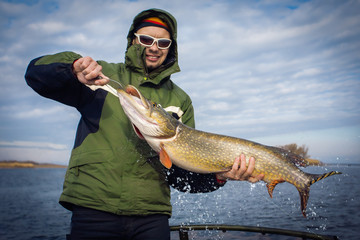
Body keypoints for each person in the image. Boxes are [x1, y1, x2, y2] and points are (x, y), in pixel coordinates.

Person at [25, 8, 264, 240]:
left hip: (152, 216)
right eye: (146, 39)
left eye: (163, 43)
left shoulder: (180, 100)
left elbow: (183, 176)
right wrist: (71, 69)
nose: (154, 47)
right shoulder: (102, 75)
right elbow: (36, 76)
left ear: (171, 48)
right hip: (94, 209)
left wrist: (220, 176)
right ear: (132, 40)